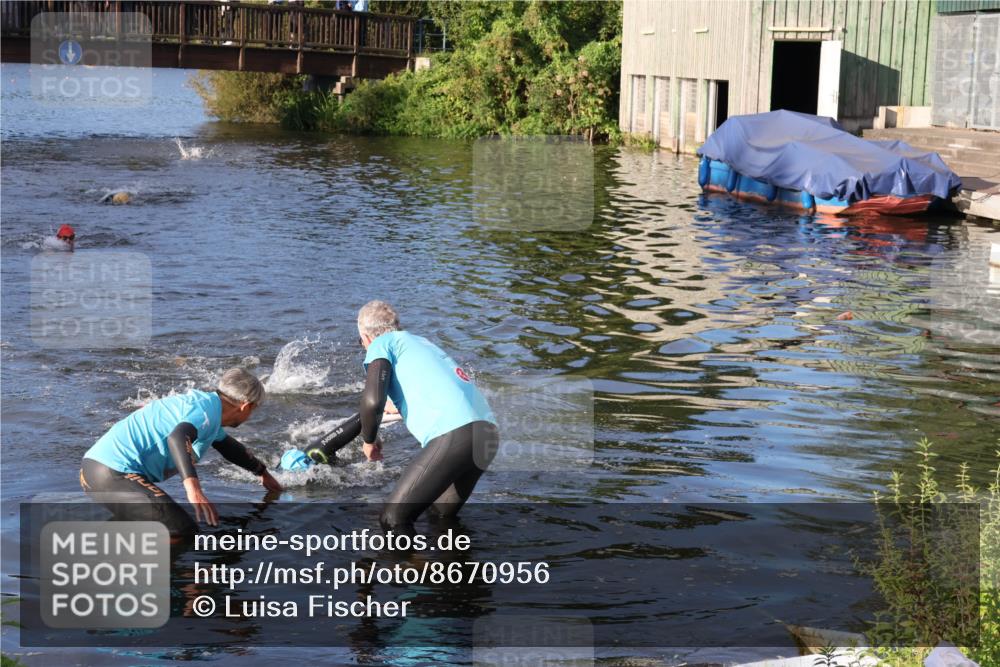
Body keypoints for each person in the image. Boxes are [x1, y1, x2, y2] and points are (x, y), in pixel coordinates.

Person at [80, 368, 282, 541]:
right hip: (112, 473)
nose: (250, 416)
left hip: (97, 471)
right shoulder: (204, 413)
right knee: (180, 530)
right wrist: (193, 489)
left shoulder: (208, 409)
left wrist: (263, 473)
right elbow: (177, 438)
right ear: (245, 406)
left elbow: (228, 446)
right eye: (253, 410)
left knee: (168, 524)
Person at [355, 300, 499, 536]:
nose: (363, 345)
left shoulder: (380, 344)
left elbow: (372, 402)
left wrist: (369, 440)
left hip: (456, 435)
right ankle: (452, 571)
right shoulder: (420, 342)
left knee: (393, 520)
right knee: (440, 519)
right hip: (487, 433)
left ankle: (415, 572)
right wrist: (400, 406)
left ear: (367, 337)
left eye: (361, 341)